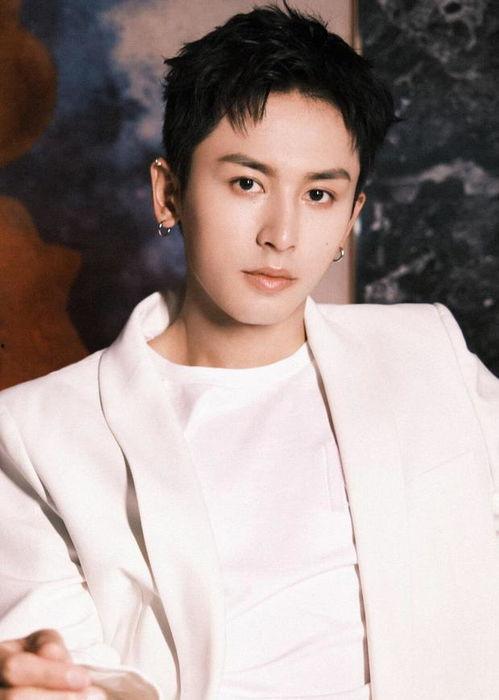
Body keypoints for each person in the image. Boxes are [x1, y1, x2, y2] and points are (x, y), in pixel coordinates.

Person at [1, 3, 498, 699]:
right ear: (169, 193)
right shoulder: (35, 433)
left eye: (319, 194)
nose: (282, 235)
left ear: (351, 218)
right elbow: (67, 669)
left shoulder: (427, 353)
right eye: (246, 183)